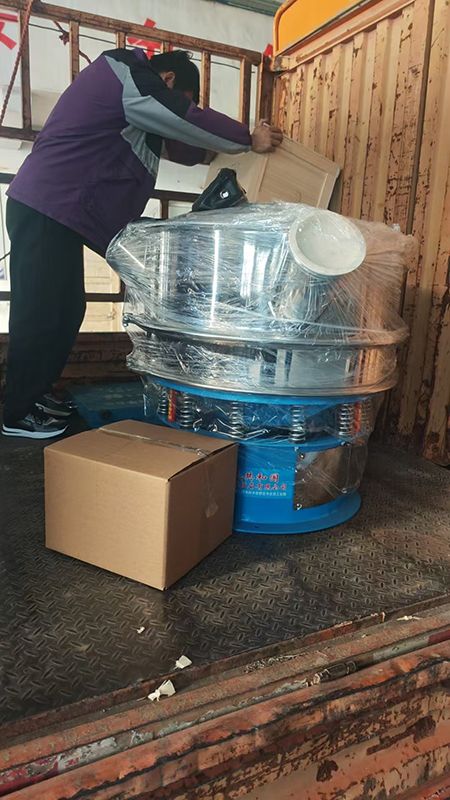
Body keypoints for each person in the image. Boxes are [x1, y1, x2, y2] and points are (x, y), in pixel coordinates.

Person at [2, 47, 282, 439]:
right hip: (47, 205)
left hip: (60, 211)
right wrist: (247, 138)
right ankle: (17, 412)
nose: (178, 105)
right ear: (168, 80)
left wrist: (220, 148)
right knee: (41, 311)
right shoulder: (125, 74)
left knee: (65, 308)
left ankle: (35, 394)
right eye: (182, 97)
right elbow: (180, 116)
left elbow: (182, 144)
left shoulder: (133, 108)